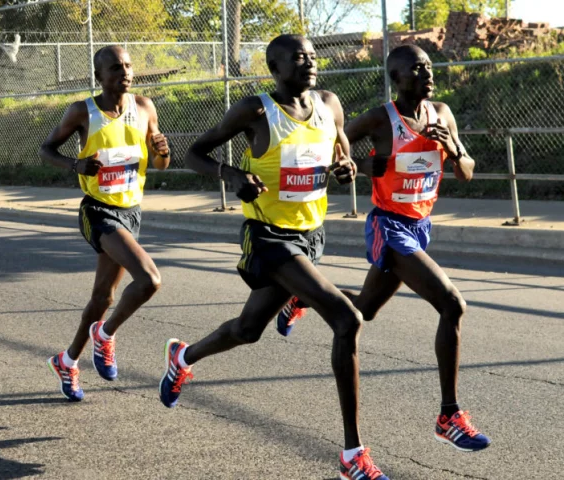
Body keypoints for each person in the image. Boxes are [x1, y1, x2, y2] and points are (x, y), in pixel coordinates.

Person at [159, 34, 389, 479]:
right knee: (347, 317)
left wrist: (346, 169)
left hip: (309, 233)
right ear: (274, 68)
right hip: (267, 236)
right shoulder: (254, 110)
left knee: (247, 331)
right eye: (298, 57)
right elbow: (194, 153)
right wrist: (233, 175)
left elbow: (343, 155)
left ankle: (182, 358)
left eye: (313, 56)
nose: (309, 62)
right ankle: (351, 455)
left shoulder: (329, 104)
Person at [277, 45, 490, 452]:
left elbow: (466, 172)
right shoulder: (382, 118)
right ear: (397, 77)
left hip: (420, 225)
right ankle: (449, 416)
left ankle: (299, 296)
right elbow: (335, 143)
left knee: (365, 310)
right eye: (417, 68)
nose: (427, 73)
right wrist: (361, 163)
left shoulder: (442, 113)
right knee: (452, 304)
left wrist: (453, 146)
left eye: (430, 66)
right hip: (388, 226)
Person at [41, 45, 171, 402]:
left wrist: (162, 150)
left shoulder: (145, 108)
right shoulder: (83, 111)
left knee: (103, 296)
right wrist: (75, 165)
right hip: (98, 210)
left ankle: (67, 360)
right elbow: (46, 149)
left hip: (131, 211)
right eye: (116, 68)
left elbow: (160, 165)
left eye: (129, 66)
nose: (126, 72)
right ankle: (106, 334)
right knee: (149, 279)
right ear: (100, 76)